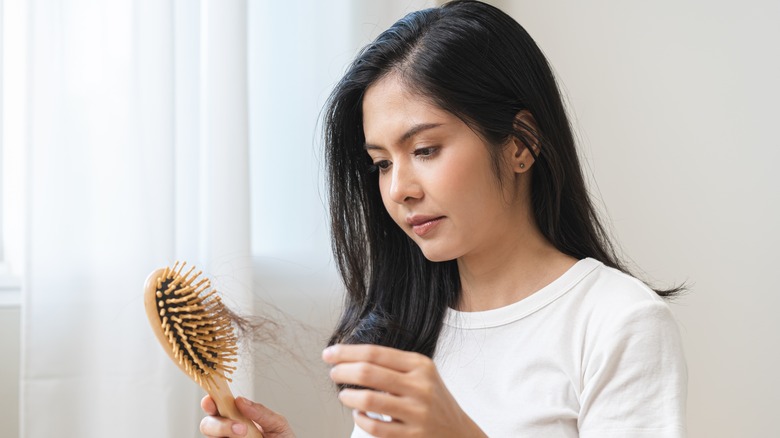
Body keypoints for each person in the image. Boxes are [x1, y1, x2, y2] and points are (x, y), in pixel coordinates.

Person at [199, 1, 687, 436]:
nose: (399, 189)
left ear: (521, 143)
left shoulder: (617, 322)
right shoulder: (404, 324)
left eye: (425, 150)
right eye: (381, 163)